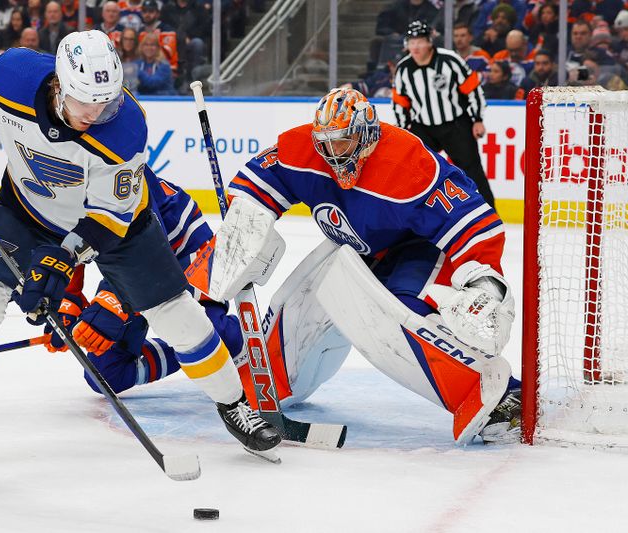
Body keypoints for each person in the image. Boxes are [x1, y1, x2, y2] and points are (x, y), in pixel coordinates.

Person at [0, 29, 280, 468]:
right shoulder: (9, 74)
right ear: (59, 86)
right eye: (87, 102)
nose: (99, 111)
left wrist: (62, 263)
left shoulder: (124, 127)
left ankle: (235, 405)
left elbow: (107, 218)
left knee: (176, 313)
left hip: (116, 224)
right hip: (25, 208)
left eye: (107, 100)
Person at [188, 86, 521, 445]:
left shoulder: (407, 163)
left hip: (417, 249)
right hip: (358, 251)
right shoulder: (301, 149)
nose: (332, 154)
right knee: (298, 301)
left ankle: (502, 396)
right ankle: (266, 384)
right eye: (325, 143)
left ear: (366, 135)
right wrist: (244, 227)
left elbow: (473, 221)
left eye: (342, 143)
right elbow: (257, 183)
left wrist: (485, 280)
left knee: (397, 316)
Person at [44, 168, 246, 400]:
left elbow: (141, 244)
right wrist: (68, 299)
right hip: (126, 260)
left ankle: (234, 336)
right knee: (104, 375)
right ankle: (200, 346)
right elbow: (66, 237)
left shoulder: (115, 159)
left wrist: (113, 304)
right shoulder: (54, 167)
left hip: (183, 256)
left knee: (206, 329)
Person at [393, 21, 495, 208]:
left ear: (430, 42)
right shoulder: (403, 68)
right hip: (423, 127)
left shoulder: (450, 60)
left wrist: (477, 119)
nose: (414, 46)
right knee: (414, 172)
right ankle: (415, 216)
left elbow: (472, 89)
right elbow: (400, 102)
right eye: (411, 42)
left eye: (419, 41)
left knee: (472, 171)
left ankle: (489, 213)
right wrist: (403, 129)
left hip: (455, 125)